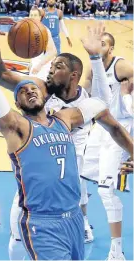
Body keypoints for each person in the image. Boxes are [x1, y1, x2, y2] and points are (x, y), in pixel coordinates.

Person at [0, 21, 133, 260]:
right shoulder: (39, 89)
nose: (49, 71)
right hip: (37, 185)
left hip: (70, 183)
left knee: (80, 206)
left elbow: (113, 124)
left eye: (57, 67)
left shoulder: (78, 109)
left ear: (73, 76)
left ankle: (84, 224)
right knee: (18, 235)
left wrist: (94, 58)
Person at [82, 32, 133, 260]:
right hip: (99, 127)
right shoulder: (92, 67)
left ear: (111, 49)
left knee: (105, 190)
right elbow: (83, 93)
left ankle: (116, 251)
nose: (98, 46)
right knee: (78, 176)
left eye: (103, 43)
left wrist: (128, 99)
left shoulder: (120, 66)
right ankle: (84, 225)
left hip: (119, 129)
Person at [29, 6, 57, 81]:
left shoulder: (44, 31)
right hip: (36, 64)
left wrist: (39, 65)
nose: (32, 17)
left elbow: (53, 52)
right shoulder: (29, 29)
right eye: (31, 15)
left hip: (44, 66)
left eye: (35, 15)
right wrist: (31, 63)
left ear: (40, 17)